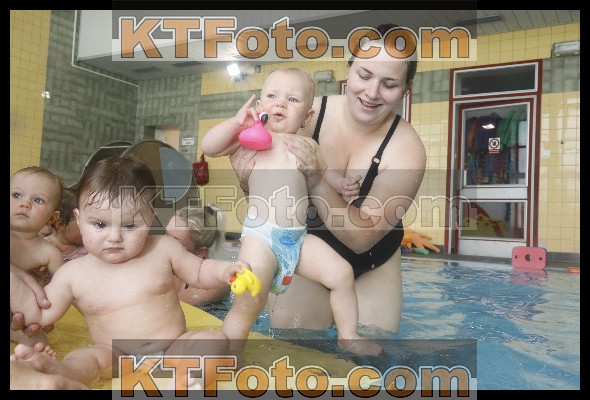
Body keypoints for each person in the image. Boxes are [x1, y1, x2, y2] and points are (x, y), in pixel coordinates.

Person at [230, 26, 426, 334]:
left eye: (389, 84)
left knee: (374, 344)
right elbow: (266, 202)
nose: (372, 93)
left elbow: (362, 239)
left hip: (373, 260)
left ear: (406, 89)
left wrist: (318, 180)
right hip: (306, 247)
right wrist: (246, 180)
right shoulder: (303, 113)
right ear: (349, 70)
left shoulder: (406, 149)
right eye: (364, 75)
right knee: (294, 338)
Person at [9, 155, 250, 388]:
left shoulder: (163, 248)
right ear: (79, 220)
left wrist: (226, 271)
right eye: (100, 224)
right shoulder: (72, 274)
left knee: (213, 340)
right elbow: (41, 312)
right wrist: (17, 290)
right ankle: (60, 372)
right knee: (85, 358)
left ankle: (189, 379)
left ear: (150, 219)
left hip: (173, 347)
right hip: (114, 354)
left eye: (129, 225)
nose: (114, 237)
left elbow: (199, 270)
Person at [201, 67, 382, 356]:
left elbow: (324, 173)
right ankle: (230, 355)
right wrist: (236, 123)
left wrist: (343, 185)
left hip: (297, 240)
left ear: (307, 117)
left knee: (342, 274)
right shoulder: (251, 138)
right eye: (272, 96)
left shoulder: (308, 145)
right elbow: (209, 147)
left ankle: (349, 335)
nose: (281, 103)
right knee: (249, 301)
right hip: (261, 238)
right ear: (260, 105)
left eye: (293, 99)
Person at [10, 166, 65, 346]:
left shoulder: (49, 253)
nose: (25, 203)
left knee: (37, 339)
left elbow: (66, 286)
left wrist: (50, 314)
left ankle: (36, 354)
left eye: (38, 200)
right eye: (16, 195)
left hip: (22, 318)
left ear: (52, 218)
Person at [10, 265, 88, 390]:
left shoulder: (73, 271)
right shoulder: (74, 271)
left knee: (92, 358)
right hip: (112, 348)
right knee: (95, 358)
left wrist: (31, 311)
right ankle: (50, 370)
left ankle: (49, 368)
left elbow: (42, 314)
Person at [166, 204, 231, 305]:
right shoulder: (162, 265)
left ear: (200, 252)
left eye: (175, 241)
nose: (165, 242)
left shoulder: (216, 285)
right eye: (166, 234)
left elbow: (170, 306)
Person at [44, 186, 88, 262]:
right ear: (60, 225)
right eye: (84, 224)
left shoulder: (88, 249)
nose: (91, 229)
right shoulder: (43, 246)